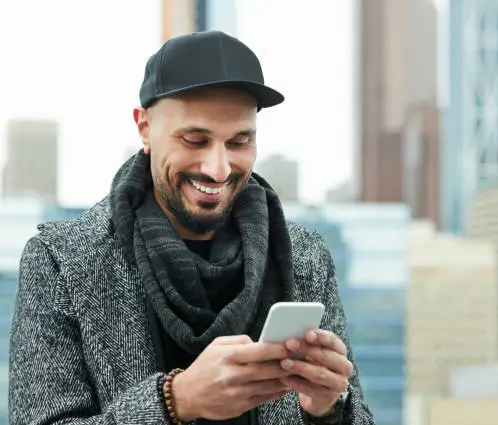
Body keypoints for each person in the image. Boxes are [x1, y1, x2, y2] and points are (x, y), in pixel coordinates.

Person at [8, 31, 375, 425]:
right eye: (195, 139)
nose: (218, 169)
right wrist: (174, 403)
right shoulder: (61, 261)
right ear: (144, 128)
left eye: (238, 142)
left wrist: (327, 410)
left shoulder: (303, 257)